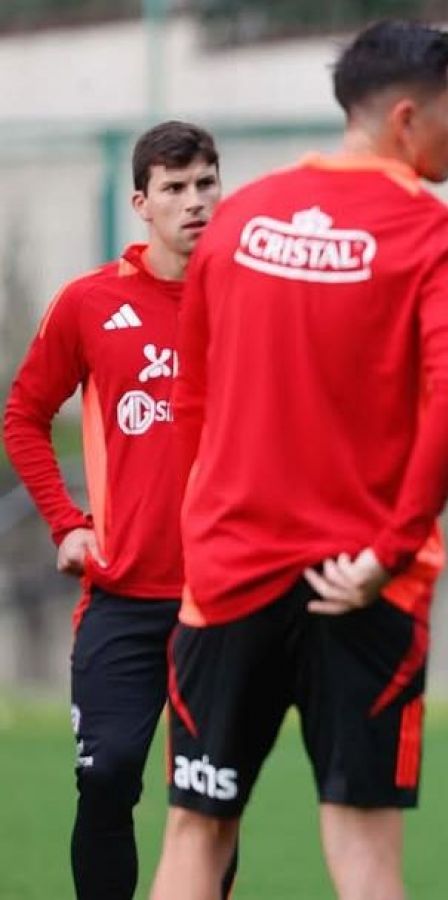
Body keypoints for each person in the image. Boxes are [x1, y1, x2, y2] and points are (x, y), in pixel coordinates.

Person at [148, 20, 448, 900]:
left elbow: (192, 398)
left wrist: (206, 533)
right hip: (366, 582)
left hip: (230, 576)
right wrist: (394, 545)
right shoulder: (442, 238)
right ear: (407, 118)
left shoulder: (239, 222)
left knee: (196, 829)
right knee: (364, 854)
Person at [2, 121, 231, 900]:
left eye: (206, 183)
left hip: (223, 601)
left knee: (207, 801)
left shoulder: (251, 300)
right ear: (142, 201)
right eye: (174, 187)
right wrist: (67, 523)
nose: (194, 201)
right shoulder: (91, 303)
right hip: (123, 597)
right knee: (106, 781)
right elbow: (23, 415)